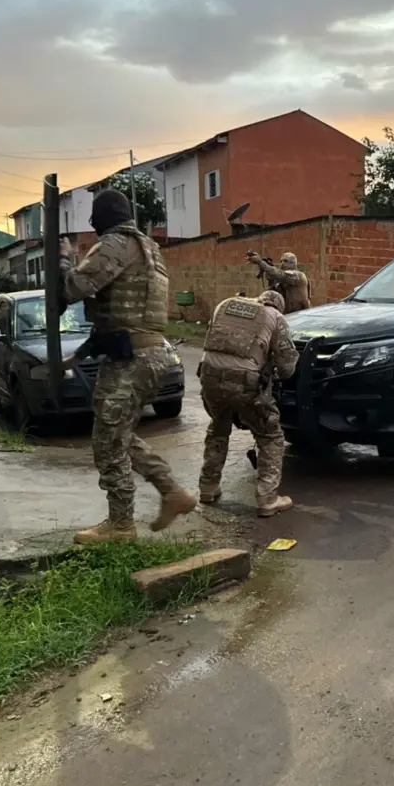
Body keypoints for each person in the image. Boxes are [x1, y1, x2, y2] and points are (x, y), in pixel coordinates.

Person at [59, 189, 197, 544]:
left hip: (133, 358)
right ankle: (172, 491)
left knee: (107, 441)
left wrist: (64, 258)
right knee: (116, 433)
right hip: (147, 353)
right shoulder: (148, 248)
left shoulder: (115, 244)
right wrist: (76, 358)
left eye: (94, 217)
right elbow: (118, 317)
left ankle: (121, 525)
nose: (92, 224)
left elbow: (75, 287)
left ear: (103, 218)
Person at [197, 289, 299, 517]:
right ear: (278, 305)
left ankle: (207, 487)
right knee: (270, 435)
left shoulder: (225, 303)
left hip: (209, 377)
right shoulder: (275, 316)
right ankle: (268, 499)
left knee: (218, 429)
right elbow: (287, 366)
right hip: (244, 384)